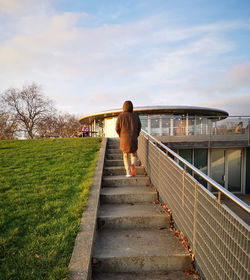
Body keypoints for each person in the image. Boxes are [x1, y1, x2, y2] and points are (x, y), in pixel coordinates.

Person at [115, 101, 141, 177]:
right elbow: (139, 127)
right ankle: (133, 164)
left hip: (124, 139)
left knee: (125, 155)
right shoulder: (136, 116)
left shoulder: (120, 116)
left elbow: (117, 128)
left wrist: (120, 135)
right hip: (133, 138)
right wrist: (136, 134)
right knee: (134, 154)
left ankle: (128, 172)